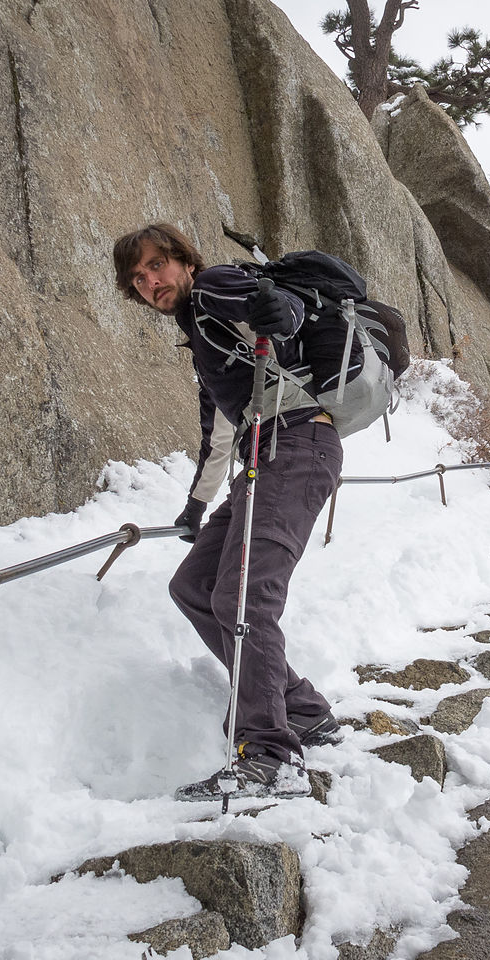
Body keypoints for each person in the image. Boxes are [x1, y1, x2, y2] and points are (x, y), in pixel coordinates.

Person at [112, 223, 343, 802]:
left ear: (184, 261)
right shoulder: (204, 338)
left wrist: (282, 311)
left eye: (157, 265)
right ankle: (303, 710)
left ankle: (269, 756)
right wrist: (195, 507)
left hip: (295, 446)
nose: (150, 282)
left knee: (244, 595)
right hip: (263, 459)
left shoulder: (214, 288)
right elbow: (219, 433)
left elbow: (276, 307)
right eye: (139, 278)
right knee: (195, 586)